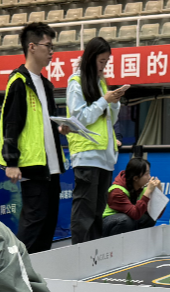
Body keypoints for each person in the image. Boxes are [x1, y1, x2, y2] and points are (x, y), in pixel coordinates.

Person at [0, 22, 69, 254]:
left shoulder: (46, 85)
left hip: (52, 167)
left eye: (52, 47)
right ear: (32, 47)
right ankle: (19, 269)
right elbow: (10, 123)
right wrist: (11, 162)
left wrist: (60, 128)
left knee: (48, 225)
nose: (51, 51)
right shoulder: (19, 82)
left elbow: (43, 123)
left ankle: (39, 270)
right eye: (48, 46)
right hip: (33, 166)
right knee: (33, 225)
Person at [66, 37, 126, 244]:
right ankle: (79, 253)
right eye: (101, 61)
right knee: (85, 211)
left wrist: (114, 103)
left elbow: (110, 120)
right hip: (87, 154)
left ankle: (93, 252)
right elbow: (80, 118)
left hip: (104, 156)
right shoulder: (76, 82)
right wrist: (104, 100)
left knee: (98, 211)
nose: (103, 66)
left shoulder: (101, 82)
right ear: (90, 58)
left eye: (106, 62)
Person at [102, 158, 161, 237]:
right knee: (125, 220)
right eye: (146, 174)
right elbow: (135, 214)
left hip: (124, 220)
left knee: (149, 219)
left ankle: (136, 242)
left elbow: (156, 214)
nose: (149, 177)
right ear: (135, 178)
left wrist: (159, 192)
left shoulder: (141, 188)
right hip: (107, 224)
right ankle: (113, 244)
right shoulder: (117, 191)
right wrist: (147, 193)